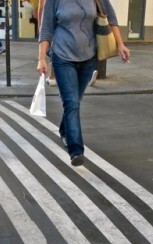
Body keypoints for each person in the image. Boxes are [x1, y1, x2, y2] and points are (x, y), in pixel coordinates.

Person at [37, 0, 130, 166]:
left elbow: (112, 18)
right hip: (62, 56)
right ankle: (76, 151)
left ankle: (65, 130)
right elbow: (46, 29)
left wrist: (120, 44)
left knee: (75, 101)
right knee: (71, 102)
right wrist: (42, 58)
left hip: (89, 58)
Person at [36, 0, 55, 86]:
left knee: (54, 50)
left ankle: (52, 77)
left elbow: (41, 8)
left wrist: (40, 27)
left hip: (50, 22)